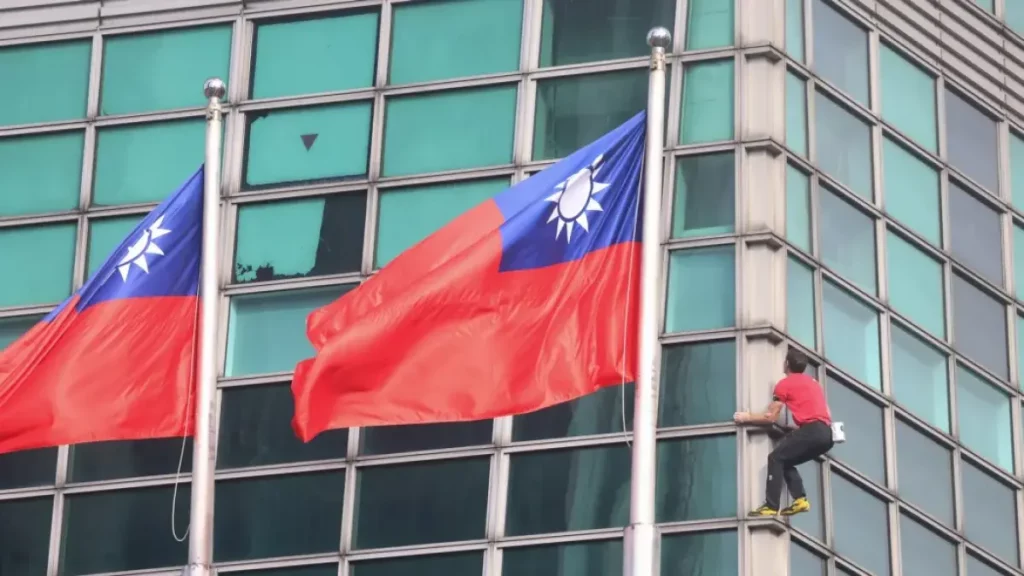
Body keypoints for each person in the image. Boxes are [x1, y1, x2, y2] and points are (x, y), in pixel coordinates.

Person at [733, 347, 834, 517]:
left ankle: (771, 506)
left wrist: (747, 417)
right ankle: (800, 499)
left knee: (775, 458)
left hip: (812, 430)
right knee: (785, 460)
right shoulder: (814, 383)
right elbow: (826, 413)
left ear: (787, 363)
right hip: (826, 435)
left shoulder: (784, 384)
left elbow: (770, 417)